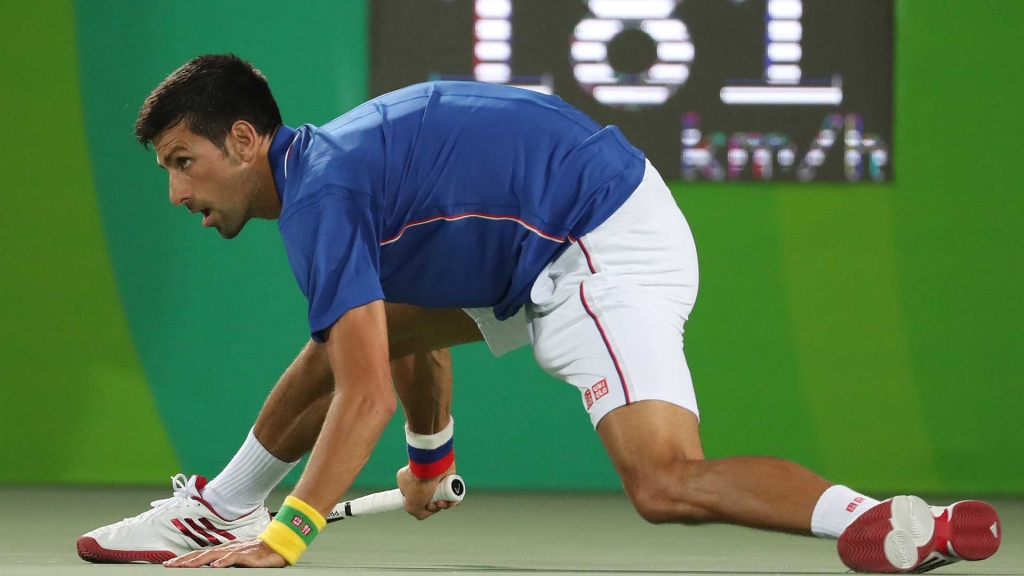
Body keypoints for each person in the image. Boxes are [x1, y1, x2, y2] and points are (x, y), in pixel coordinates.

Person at [77, 55, 1000, 573]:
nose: (173, 191)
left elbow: (366, 398)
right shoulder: (340, 175)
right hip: (554, 234)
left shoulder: (323, 196)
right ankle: (220, 506)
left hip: (593, 239)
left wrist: (291, 538)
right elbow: (400, 335)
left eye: (183, 161)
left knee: (664, 482)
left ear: (245, 141)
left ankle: (869, 519)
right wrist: (431, 465)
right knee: (348, 335)